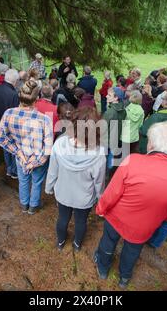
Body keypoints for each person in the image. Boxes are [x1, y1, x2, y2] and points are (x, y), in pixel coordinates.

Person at [94, 121, 167, 288]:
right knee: (133, 250)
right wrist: (160, 216)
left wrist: (101, 209)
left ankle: (103, 268)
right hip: (146, 225)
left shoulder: (132, 161)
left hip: (117, 217)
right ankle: (124, 278)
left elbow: (112, 193)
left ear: (152, 144)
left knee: (108, 241)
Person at [46, 107, 106, 251]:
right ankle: (77, 244)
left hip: (63, 193)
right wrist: (100, 198)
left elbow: (52, 170)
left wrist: (49, 187)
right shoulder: (99, 153)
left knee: (62, 218)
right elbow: (99, 181)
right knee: (81, 222)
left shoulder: (59, 144)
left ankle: (60, 242)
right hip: (83, 198)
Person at [0, 80, 54, 215]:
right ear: (37, 98)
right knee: (37, 182)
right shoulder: (44, 119)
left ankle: (24, 205)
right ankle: (33, 206)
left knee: (23, 181)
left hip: (21, 157)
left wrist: (18, 152)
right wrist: (35, 162)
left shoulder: (8, 114)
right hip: (38, 159)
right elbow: (48, 148)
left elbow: (1, 138)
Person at [0, 69, 20, 179]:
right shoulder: (14, 94)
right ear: (15, 81)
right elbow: (15, 115)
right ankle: (13, 170)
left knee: (5, 148)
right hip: (9, 126)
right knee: (12, 149)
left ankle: (9, 169)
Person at [103, 87, 126, 175]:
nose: (106, 96)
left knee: (103, 157)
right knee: (111, 156)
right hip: (116, 138)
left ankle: (103, 173)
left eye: (109, 95)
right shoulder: (124, 110)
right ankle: (109, 173)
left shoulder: (110, 112)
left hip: (106, 140)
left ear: (116, 98)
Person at [121, 90, 144, 154]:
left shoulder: (126, 108)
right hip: (135, 137)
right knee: (132, 154)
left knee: (124, 155)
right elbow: (140, 125)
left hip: (125, 136)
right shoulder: (141, 111)